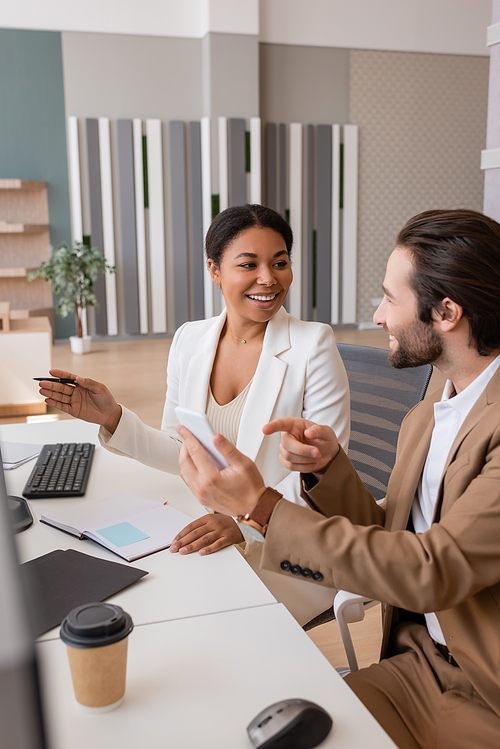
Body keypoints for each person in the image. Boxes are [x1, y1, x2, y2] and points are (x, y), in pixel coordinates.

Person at [177, 208, 500, 749]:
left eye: (390, 299)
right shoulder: (429, 414)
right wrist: (329, 470)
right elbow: (395, 537)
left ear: (445, 312)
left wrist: (260, 506)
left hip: (486, 692)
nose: (377, 315)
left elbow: (432, 569)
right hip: (418, 664)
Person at [40, 204, 350, 624]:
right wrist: (113, 418)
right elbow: (180, 449)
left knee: (195, 614)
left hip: (285, 543)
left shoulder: (314, 345)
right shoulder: (190, 339)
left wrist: (248, 524)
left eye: (280, 263)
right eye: (249, 264)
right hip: (203, 521)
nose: (269, 278)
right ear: (215, 270)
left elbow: (323, 482)